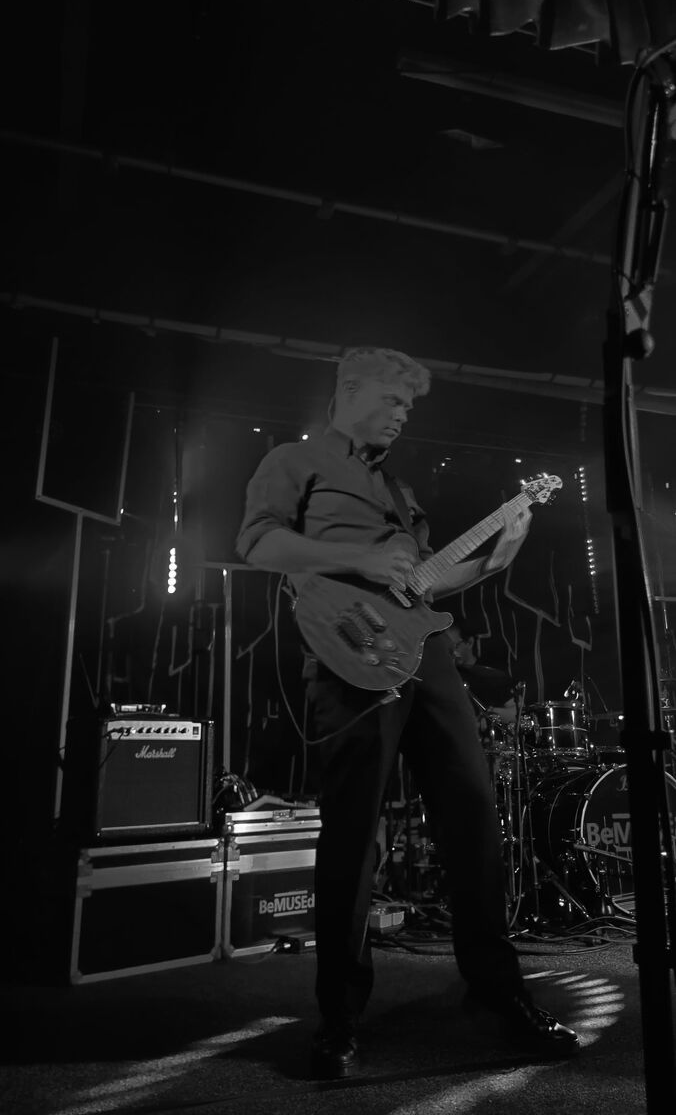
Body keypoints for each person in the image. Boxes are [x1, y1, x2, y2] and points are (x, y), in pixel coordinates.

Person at [236, 346, 579, 1077]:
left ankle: (496, 994)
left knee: (474, 814)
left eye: (408, 407)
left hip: (423, 654)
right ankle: (340, 1018)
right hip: (343, 651)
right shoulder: (294, 463)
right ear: (350, 391)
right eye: (393, 399)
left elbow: (423, 583)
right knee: (352, 833)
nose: (401, 413)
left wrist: (501, 549)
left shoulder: (400, 488)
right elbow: (256, 541)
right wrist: (360, 562)